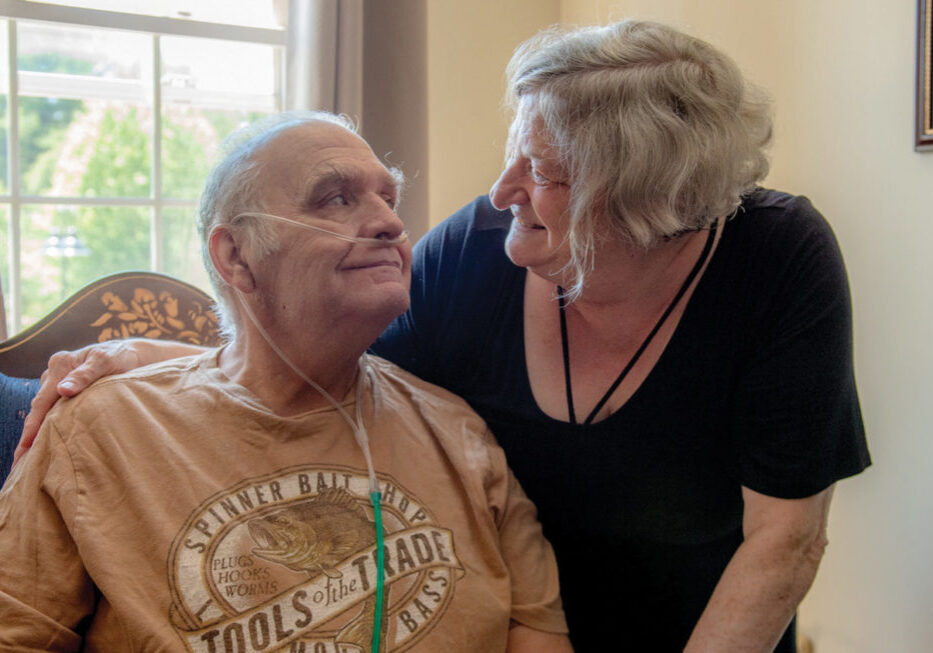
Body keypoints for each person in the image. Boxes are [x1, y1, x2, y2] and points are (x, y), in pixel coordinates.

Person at [14, 19, 870, 652]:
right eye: (336, 197)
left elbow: (783, 541)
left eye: (539, 171)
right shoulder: (477, 253)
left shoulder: (773, 259)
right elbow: (304, 366)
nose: (497, 193)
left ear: (639, 199)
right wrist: (153, 363)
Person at [0, 112, 572, 652]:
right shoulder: (98, 430)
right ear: (237, 256)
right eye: (338, 198)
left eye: (389, 199)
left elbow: (537, 633)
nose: (392, 225)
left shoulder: (460, 434)